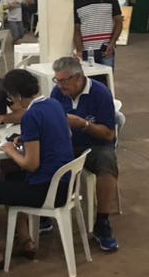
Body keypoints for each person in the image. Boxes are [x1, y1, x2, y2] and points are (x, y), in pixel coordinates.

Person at [0, 69, 75, 273]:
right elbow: (63, 135)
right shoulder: (54, 104)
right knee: (7, 171)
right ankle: (25, 240)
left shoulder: (31, 116)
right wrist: (27, 140)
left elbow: (31, 164)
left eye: (10, 98)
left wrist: (10, 150)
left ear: (16, 96)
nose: (11, 102)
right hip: (65, 183)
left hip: (46, 189)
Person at [50, 56, 119, 251]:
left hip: (95, 146)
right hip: (67, 145)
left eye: (64, 81)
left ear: (78, 77)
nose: (60, 85)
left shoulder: (100, 93)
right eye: (57, 80)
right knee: (40, 156)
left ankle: (102, 222)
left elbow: (108, 134)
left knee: (107, 163)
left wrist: (83, 124)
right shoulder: (57, 93)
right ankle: (46, 208)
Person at [73, 0, 123, 67]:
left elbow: (119, 21)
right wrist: (79, 50)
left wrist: (112, 42)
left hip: (105, 50)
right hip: (86, 51)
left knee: (107, 76)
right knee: (88, 77)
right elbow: (77, 29)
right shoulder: (77, 2)